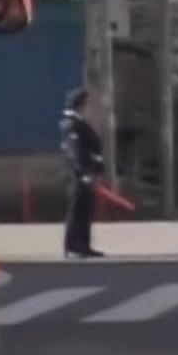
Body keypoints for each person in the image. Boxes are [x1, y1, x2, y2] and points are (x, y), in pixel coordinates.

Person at [60, 87, 106, 259]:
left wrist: (98, 170)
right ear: (80, 105)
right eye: (87, 104)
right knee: (76, 211)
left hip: (88, 176)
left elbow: (93, 149)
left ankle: (84, 245)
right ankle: (72, 246)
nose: (89, 108)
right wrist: (84, 173)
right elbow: (75, 152)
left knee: (86, 211)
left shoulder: (81, 124)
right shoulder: (71, 125)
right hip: (77, 177)